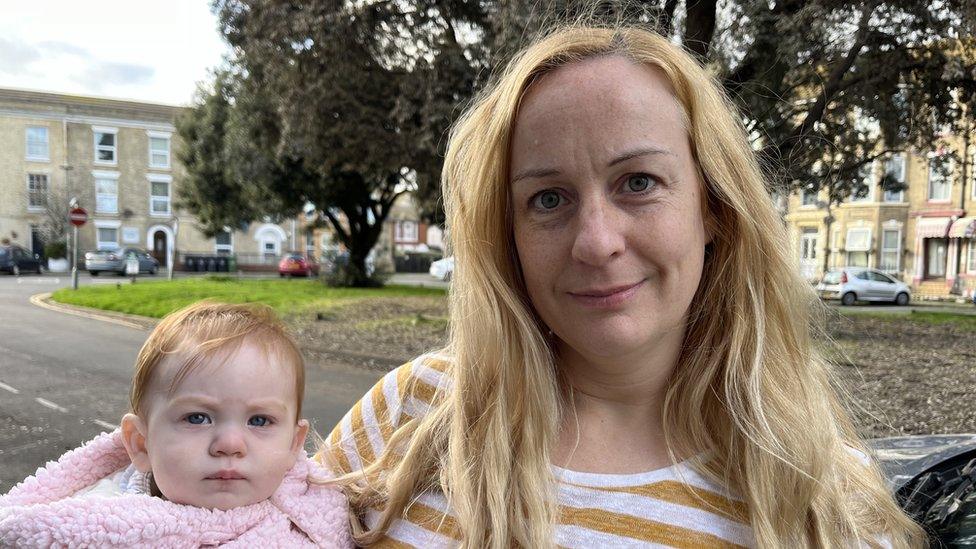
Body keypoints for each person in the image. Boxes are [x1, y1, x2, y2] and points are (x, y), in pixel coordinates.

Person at [319, 25, 925, 548]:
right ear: (510, 236)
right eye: (548, 198)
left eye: (638, 182)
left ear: (713, 205)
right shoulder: (411, 415)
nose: (597, 241)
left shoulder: (827, 502)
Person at [0, 301, 352, 548]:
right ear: (141, 443)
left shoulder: (318, 517)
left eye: (259, 420)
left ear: (294, 444)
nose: (230, 443)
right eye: (197, 417)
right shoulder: (96, 527)